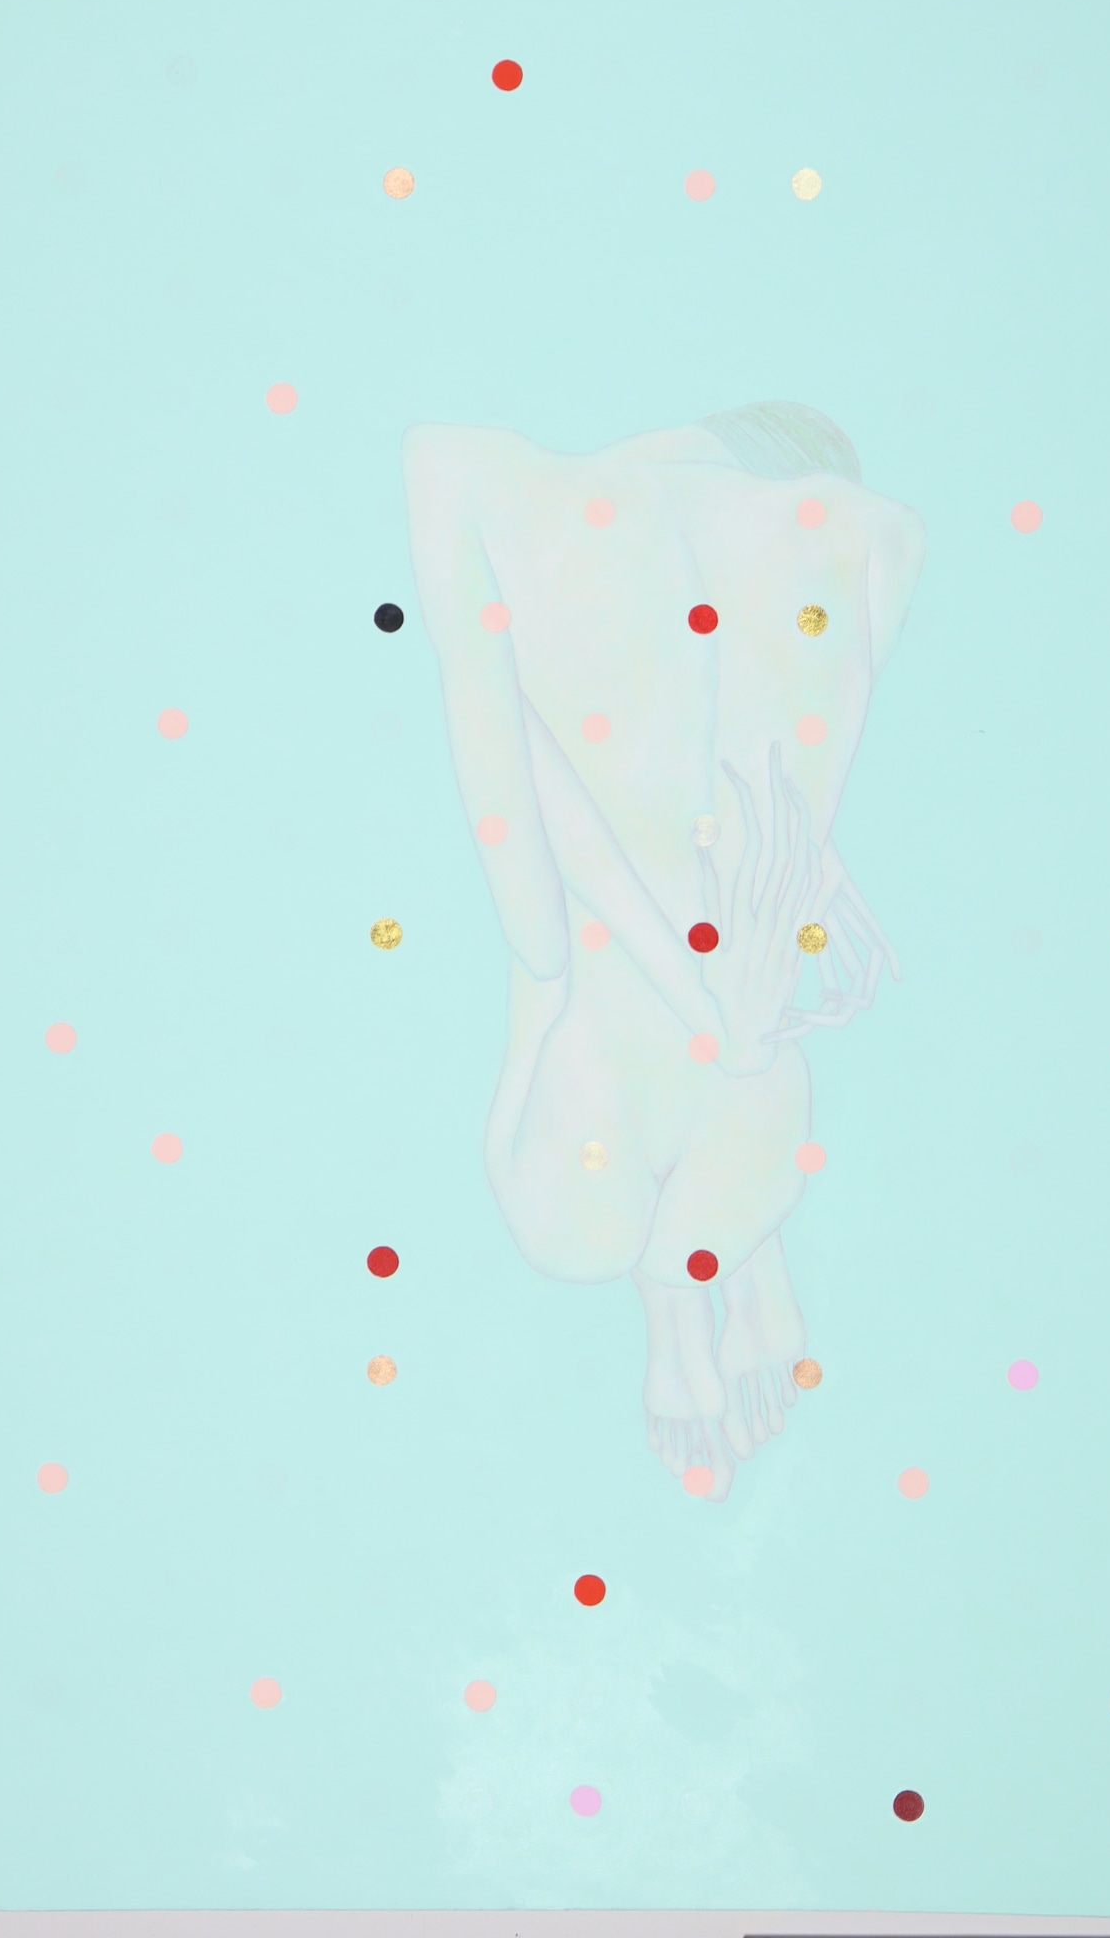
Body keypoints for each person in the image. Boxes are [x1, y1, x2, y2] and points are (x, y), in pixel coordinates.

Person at [403, 402, 925, 1499]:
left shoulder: (465, 470)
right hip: (754, 1100)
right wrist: (738, 1010)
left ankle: (686, 1300)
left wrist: (697, 1006)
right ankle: (729, 1267)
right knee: (730, 900)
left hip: (626, 1095)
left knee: (560, 967)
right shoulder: (881, 535)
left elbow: (529, 891)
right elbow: (792, 823)